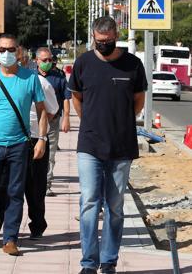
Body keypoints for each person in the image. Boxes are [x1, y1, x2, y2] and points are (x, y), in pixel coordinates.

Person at [69, 17, 147, 274]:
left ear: (116, 36)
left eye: (108, 41)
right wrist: (91, 123)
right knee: (90, 202)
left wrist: (122, 123)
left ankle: (109, 261)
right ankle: (89, 263)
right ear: (93, 37)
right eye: (98, 41)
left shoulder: (133, 65)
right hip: (90, 145)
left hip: (122, 146)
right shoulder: (83, 63)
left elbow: (139, 101)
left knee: (115, 206)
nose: (103, 45)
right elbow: (77, 98)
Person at [0, 34, 48, 256]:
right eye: (1, 49)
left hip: (19, 145)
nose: (6, 54)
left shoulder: (30, 78)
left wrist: (42, 139)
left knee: (15, 192)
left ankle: (10, 239)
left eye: (10, 49)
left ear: (18, 51)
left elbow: (42, 110)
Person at [24, 62, 59, 240]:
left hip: (34, 140)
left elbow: (52, 110)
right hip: (8, 141)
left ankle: (37, 225)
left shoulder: (40, 83)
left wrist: (41, 134)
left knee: (35, 187)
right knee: (1, 186)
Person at [35, 48, 72, 197]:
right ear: (37, 61)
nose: (48, 63)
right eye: (44, 60)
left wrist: (66, 118)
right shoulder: (30, 76)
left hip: (53, 121)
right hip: (33, 121)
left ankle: (46, 185)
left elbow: (66, 97)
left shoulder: (59, 76)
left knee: (49, 154)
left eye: (50, 60)